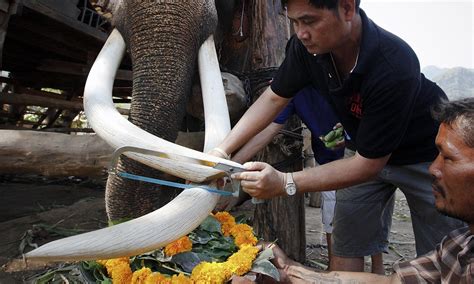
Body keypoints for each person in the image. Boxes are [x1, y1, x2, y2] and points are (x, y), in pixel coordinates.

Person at [210, 0, 465, 273]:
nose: (300, 33)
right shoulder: (306, 50)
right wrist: (221, 153)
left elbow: (370, 165)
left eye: (309, 21)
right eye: (294, 22)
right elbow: (273, 99)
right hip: (362, 153)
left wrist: (286, 182)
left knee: (444, 258)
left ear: (346, 9)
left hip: (423, 159)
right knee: (346, 247)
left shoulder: (393, 63)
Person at [234, 98, 474, 283]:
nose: (433, 169)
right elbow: (395, 282)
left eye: (449, 158)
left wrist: (285, 181)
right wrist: (288, 271)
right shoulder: (460, 245)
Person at [229, 86, 392, 273]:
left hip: (365, 157)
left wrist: (349, 136)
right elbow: (270, 128)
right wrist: (231, 163)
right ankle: (334, 270)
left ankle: (378, 270)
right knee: (332, 218)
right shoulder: (292, 88)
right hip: (328, 164)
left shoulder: (344, 76)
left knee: (373, 215)